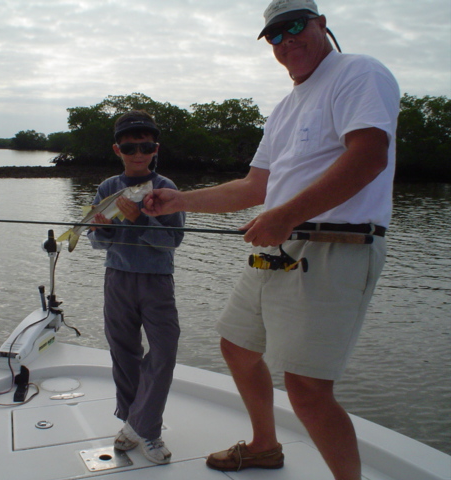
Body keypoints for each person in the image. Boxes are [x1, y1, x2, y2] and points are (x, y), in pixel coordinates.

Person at [142, 1, 400, 478]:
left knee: (306, 388)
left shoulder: (357, 72)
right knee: (236, 346)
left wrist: (285, 215)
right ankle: (264, 446)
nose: (287, 40)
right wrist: (177, 201)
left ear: (322, 25)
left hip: (334, 246)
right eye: (276, 35)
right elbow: (253, 188)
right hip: (275, 245)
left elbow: (369, 158)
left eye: (296, 26)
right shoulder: (284, 109)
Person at [87, 110, 185, 464]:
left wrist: (142, 218)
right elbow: (99, 243)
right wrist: (103, 228)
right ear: (118, 150)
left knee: (164, 351)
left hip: (157, 281)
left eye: (145, 146)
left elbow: (173, 241)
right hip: (117, 278)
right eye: (130, 147)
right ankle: (134, 424)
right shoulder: (107, 189)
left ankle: (147, 428)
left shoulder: (167, 188)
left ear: (155, 148)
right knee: (123, 353)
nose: (138, 153)